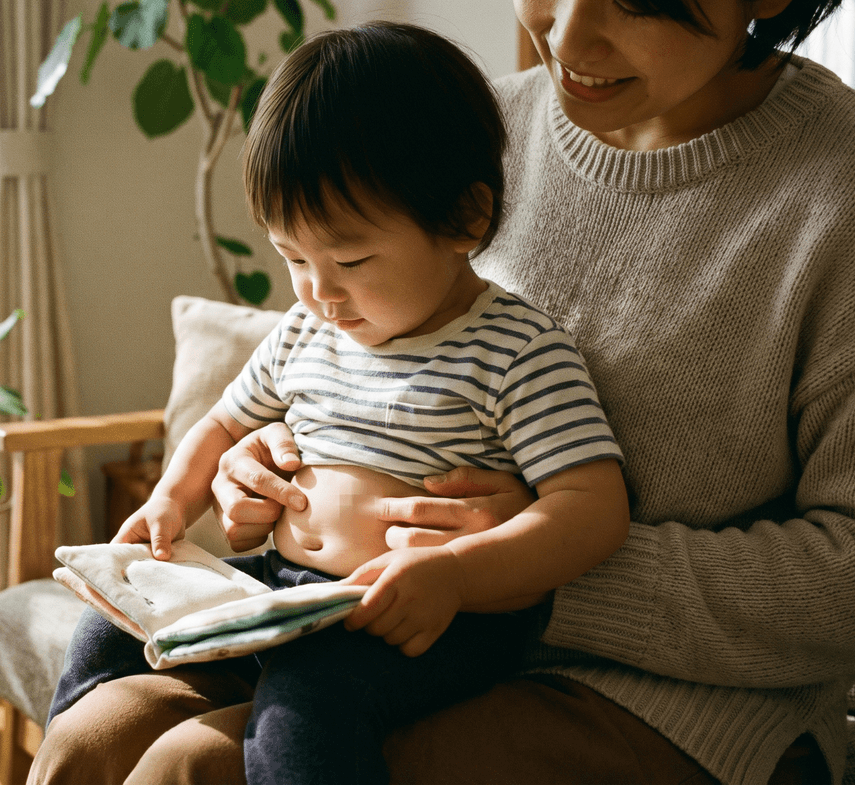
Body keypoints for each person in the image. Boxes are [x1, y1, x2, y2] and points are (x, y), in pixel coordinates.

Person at [31, 0, 855, 781]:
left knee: (196, 766)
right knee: (96, 733)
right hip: (359, 608)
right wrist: (259, 464)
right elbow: (344, 342)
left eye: (638, 1)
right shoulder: (469, 123)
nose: (566, 34)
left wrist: (520, 569)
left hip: (681, 700)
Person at [42, 21, 631, 785]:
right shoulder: (303, 333)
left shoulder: (517, 348)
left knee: (310, 698)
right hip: (283, 591)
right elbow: (224, 424)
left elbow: (592, 505)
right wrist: (168, 502)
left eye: (351, 259)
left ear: (466, 219)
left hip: (421, 618)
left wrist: (457, 571)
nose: (319, 291)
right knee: (105, 627)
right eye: (293, 257)